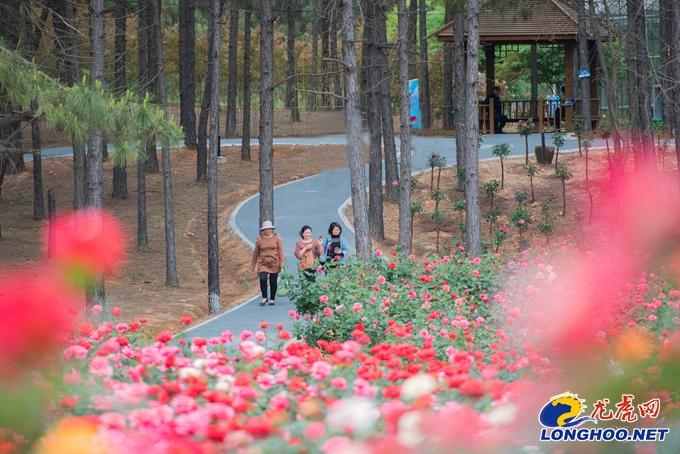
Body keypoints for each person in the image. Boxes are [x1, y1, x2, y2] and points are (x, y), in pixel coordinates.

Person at [251, 220, 285, 306]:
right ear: (263, 230)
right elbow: (256, 253)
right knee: (262, 278)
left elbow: (280, 251)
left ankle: (272, 298)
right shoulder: (259, 240)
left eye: (269, 229)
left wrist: (282, 263)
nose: (267, 230)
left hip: (274, 262)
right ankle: (264, 297)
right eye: (265, 229)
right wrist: (253, 265)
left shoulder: (277, 238)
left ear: (272, 229)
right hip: (263, 263)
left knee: (273, 281)